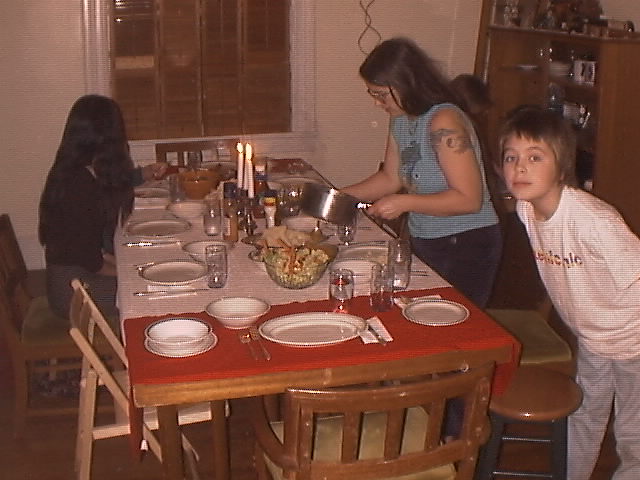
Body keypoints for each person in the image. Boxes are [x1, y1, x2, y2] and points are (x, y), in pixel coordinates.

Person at [499, 105, 640, 480]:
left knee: (633, 436)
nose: (520, 167)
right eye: (511, 157)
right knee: (584, 418)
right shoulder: (526, 210)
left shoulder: (594, 221)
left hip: (635, 342)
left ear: (561, 167)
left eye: (534, 157)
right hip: (594, 338)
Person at [343, 37, 501, 307]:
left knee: (452, 322)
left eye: (381, 94)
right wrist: (337, 197)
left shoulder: (444, 121)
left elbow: (469, 199)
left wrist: (404, 203)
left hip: (466, 242)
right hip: (427, 238)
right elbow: (390, 178)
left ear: (405, 83)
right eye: (373, 94)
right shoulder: (400, 120)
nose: (377, 103)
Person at [39, 94, 136, 320]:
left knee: (144, 279)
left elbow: (95, 251)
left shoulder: (79, 171)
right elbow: (93, 262)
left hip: (79, 275)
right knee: (149, 294)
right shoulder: (78, 185)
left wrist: (131, 267)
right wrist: (133, 274)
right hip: (73, 290)